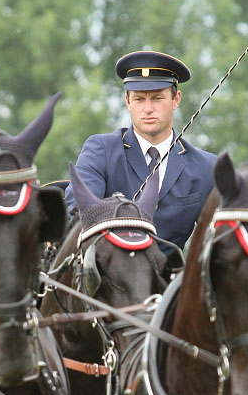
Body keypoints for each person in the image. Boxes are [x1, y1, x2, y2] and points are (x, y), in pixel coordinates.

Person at [64, 50, 217, 262]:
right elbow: (80, 212)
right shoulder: (101, 151)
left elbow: (225, 233)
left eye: (157, 98)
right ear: (127, 101)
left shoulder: (205, 166)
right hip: (108, 283)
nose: (148, 109)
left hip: (171, 287)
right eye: (139, 99)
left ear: (176, 99)